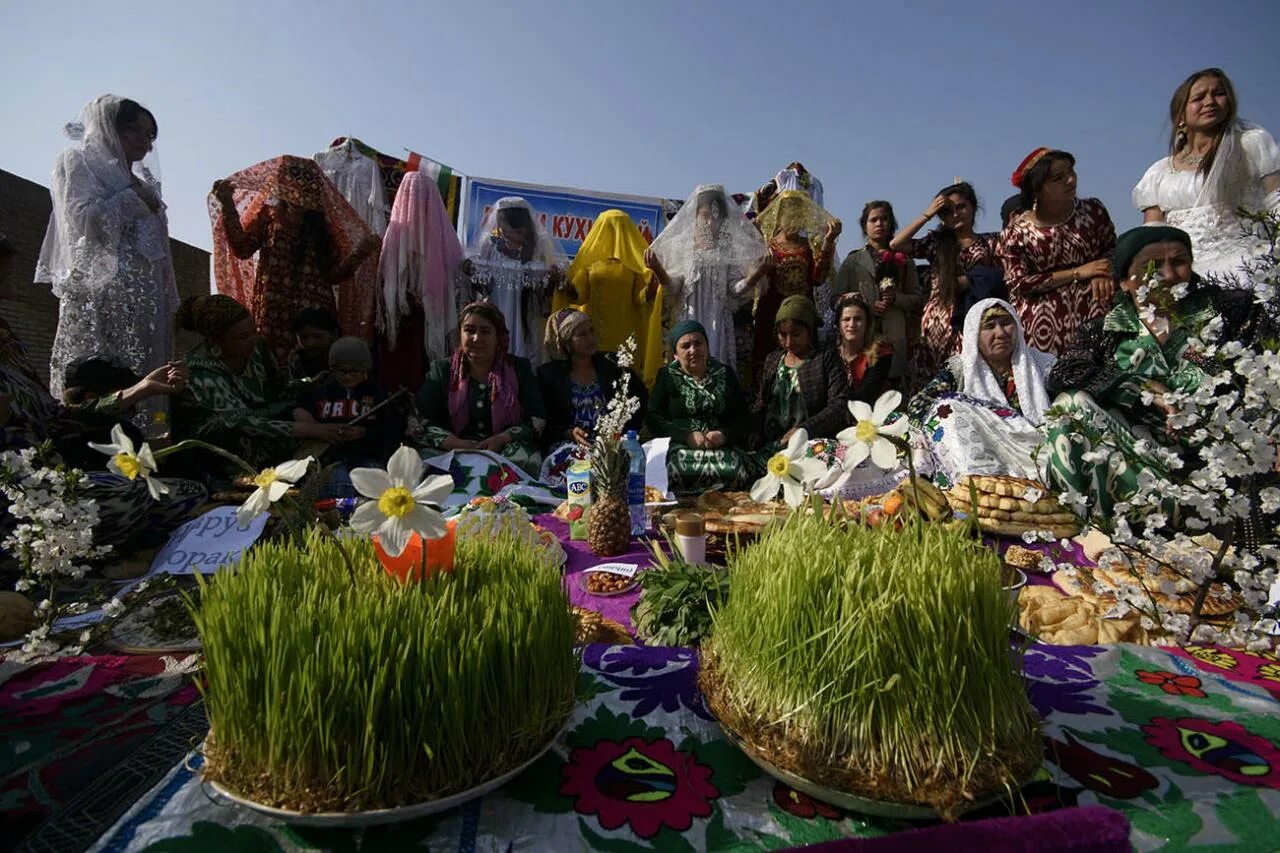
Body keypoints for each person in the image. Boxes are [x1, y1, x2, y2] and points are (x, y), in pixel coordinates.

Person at [1044, 226, 1272, 522]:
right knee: (1069, 406)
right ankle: (1080, 524)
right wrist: (1139, 388)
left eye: (1178, 262)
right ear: (1124, 281)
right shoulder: (1106, 330)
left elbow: (1260, 374)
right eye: (1151, 266)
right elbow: (1064, 373)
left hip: (1221, 461)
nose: (1167, 275)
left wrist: (1203, 362)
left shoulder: (1228, 312)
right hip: (1140, 464)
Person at [0, 300, 203, 552]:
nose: (8, 282)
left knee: (188, 492)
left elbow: (58, 417)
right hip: (22, 498)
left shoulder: (9, 345)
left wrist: (142, 390)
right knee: (129, 495)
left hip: (55, 482)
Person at [35, 95, 179, 403]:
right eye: (134, 130)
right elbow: (84, 221)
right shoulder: (77, 161)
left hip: (144, 304)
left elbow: (159, 253)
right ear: (108, 128)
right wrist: (133, 199)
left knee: (147, 381)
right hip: (100, 295)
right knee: (98, 380)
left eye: (149, 135)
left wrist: (167, 300)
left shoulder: (145, 183)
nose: (144, 141)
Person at [210, 156, 381, 366]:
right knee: (272, 366)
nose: (299, 191)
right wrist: (228, 206)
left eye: (305, 185)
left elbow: (334, 274)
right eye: (294, 184)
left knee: (314, 368)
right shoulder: (269, 216)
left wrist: (360, 253)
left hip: (313, 317)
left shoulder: (324, 226)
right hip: (273, 310)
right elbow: (242, 248)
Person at [172, 295, 352, 472]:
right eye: (242, 337)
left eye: (254, 331)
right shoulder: (201, 369)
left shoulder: (257, 348)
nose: (253, 339)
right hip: (221, 443)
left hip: (261, 418)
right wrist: (311, 430)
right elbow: (238, 422)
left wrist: (308, 386)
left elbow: (278, 389)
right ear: (216, 340)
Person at [1134, 68, 1280, 281]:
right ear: (1181, 114)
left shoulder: (1251, 145)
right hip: (1185, 277)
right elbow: (1151, 236)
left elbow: (1276, 201)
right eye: (1199, 97)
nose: (1210, 101)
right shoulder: (1159, 173)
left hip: (1248, 268)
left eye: (1218, 94)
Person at [909, 299, 1056, 489]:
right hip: (985, 452)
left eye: (1006, 323)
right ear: (974, 335)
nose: (1000, 333)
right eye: (989, 327)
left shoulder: (1042, 365)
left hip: (1037, 450)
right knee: (946, 409)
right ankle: (974, 487)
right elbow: (918, 406)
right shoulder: (960, 369)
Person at [998, 149, 1117, 356]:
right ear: (1036, 190)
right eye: (1058, 178)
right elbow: (1018, 283)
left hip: (1095, 314)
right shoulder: (1016, 232)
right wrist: (1077, 273)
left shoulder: (1093, 211)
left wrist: (1103, 271)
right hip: (1041, 329)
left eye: (1071, 172)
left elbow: (1112, 248)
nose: (1071, 180)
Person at [891, 183, 1006, 389]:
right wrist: (928, 213)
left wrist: (970, 281)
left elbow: (1003, 277)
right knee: (931, 383)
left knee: (967, 380)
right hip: (936, 321)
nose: (955, 214)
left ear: (973, 207)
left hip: (972, 320)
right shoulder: (937, 242)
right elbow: (896, 244)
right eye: (947, 211)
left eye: (961, 207)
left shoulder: (991, 242)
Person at [645, 184, 769, 371]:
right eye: (705, 216)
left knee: (716, 375)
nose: (711, 222)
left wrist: (757, 273)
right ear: (695, 216)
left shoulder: (728, 250)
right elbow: (673, 288)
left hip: (717, 327)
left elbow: (735, 291)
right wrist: (657, 269)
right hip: (689, 320)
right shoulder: (681, 247)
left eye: (716, 217)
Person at [417, 301, 545, 476]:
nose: (477, 338)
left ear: (498, 336)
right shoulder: (442, 370)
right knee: (421, 464)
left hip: (503, 448)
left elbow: (537, 418)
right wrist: (454, 442)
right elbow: (421, 419)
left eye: (485, 331)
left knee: (526, 460)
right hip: (453, 448)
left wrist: (502, 438)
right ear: (460, 334)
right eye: (469, 330)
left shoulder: (518, 368)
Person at [536, 308, 646, 490]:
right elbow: (544, 421)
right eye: (582, 334)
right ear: (567, 342)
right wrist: (568, 432)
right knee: (579, 471)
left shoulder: (613, 366)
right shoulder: (549, 376)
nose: (591, 338)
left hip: (613, 442)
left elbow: (638, 400)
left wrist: (622, 433)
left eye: (591, 331)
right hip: (572, 445)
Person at [553, 210, 664, 386]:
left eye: (620, 228)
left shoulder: (634, 264)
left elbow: (639, 299)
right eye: (609, 228)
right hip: (593, 333)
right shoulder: (589, 263)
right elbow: (580, 296)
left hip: (625, 337)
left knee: (622, 388)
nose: (615, 233)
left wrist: (651, 289)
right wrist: (566, 285)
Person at [376, 170, 466, 387]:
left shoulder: (444, 238)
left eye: (421, 197)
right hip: (402, 320)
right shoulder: (395, 234)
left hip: (430, 319)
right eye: (411, 197)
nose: (415, 204)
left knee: (427, 373)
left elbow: (456, 284)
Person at [647, 320, 755, 493]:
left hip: (720, 447)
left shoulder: (725, 374)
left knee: (736, 471)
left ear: (707, 347)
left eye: (698, 343)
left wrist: (724, 435)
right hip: (681, 448)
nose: (693, 350)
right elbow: (653, 418)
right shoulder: (666, 376)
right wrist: (686, 436)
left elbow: (743, 418)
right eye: (685, 346)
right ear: (675, 354)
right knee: (674, 470)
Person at [294, 337, 405, 498]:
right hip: (330, 459)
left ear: (365, 371)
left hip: (365, 456)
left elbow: (391, 430)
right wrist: (315, 428)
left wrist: (363, 433)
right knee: (338, 481)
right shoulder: (320, 392)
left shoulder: (377, 395)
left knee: (374, 482)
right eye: (342, 371)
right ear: (332, 369)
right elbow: (300, 410)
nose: (348, 376)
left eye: (355, 371)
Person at [751, 191, 842, 385]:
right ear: (778, 215)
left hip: (802, 318)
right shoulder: (768, 247)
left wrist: (828, 241)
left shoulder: (810, 248)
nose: (793, 218)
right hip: (771, 317)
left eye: (797, 213)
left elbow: (818, 279)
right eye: (788, 213)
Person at [831, 200, 923, 386]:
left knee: (894, 392)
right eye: (873, 220)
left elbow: (918, 299)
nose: (879, 224)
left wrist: (897, 299)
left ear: (892, 223)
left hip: (895, 333)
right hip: (860, 338)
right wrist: (864, 308)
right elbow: (835, 300)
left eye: (884, 219)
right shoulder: (853, 261)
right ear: (865, 226)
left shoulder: (904, 260)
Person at [466, 197, 564, 361]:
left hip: (525, 310)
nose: (508, 234)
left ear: (524, 227)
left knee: (523, 348)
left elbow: (543, 290)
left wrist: (550, 279)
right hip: (496, 304)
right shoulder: (489, 244)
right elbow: (482, 281)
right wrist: (472, 271)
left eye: (516, 231)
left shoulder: (538, 246)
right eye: (503, 229)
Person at [751, 295, 850, 450]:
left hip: (812, 447)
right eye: (782, 335)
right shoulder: (773, 360)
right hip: (773, 445)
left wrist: (804, 429)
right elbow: (761, 402)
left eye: (796, 334)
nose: (789, 342)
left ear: (810, 331)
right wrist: (755, 431)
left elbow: (838, 405)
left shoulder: (825, 358)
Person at [834, 293, 893, 403]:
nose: (852, 324)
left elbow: (867, 394)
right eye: (846, 319)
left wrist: (834, 401)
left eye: (858, 319)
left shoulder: (880, 353)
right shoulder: (830, 353)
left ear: (867, 323)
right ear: (838, 324)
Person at [287, 306, 340, 382]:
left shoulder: (343, 356)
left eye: (318, 336)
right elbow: (294, 384)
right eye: (304, 337)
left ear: (334, 334)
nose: (310, 343)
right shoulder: (296, 359)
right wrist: (310, 382)